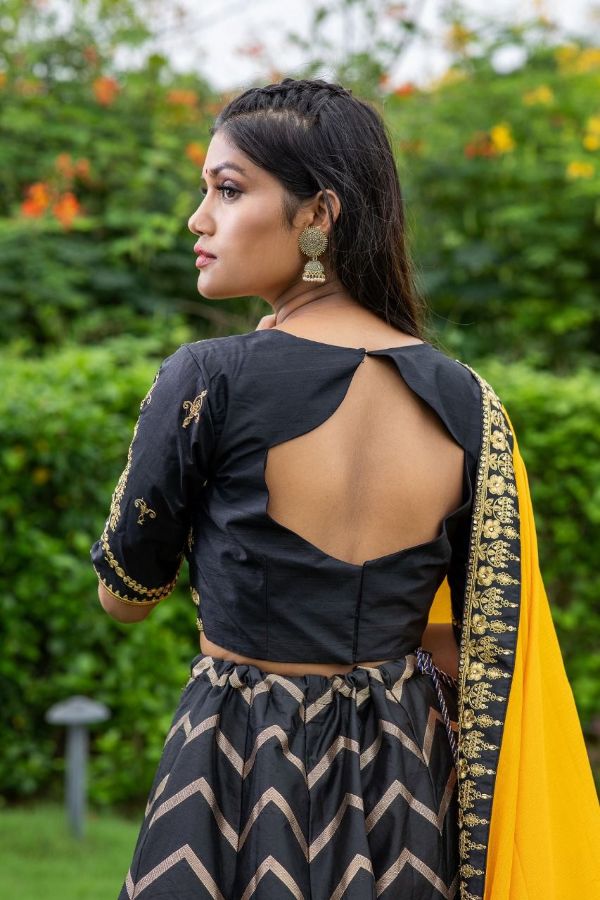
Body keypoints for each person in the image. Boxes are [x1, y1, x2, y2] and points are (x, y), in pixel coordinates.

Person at [90, 78, 600, 900]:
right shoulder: (469, 403)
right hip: (405, 778)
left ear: (318, 216)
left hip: (238, 762)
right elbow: (462, 644)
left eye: (228, 189)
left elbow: (125, 595)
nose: (198, 219)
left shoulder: (210, 380)